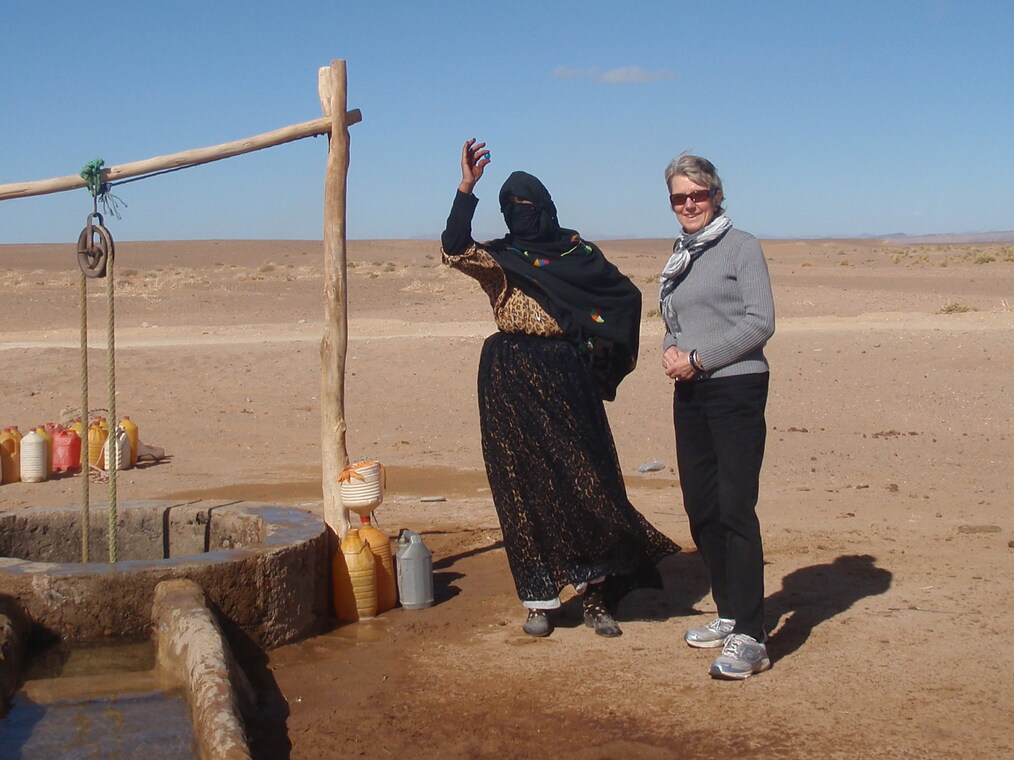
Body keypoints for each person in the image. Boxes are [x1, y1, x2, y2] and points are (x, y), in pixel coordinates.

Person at [441, 138, 679, 638]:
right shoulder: (501, 258)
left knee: (584, 480)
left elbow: (623, 298)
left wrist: (595, 359)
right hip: (508, 374)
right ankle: (540, 598)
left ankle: (597, 594)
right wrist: (466, 188)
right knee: (520, 482)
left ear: (545, 209)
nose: (517, 215)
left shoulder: (578, 254)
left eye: (525, 208)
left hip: (566, 375)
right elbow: (454, 247)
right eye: (509, 210)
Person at [659, 152, 775, 679]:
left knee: (734, 507)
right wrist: (671, 350)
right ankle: (729, 613)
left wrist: (700, 359)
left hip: (736, 388)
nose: (688, 204)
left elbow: (760, 323)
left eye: (697, 195)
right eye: (679, 197)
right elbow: (677, 321)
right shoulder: (681, 253)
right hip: (691, 391)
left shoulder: (741, 247)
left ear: (716, 195)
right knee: (701, 507)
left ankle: (753, 635)